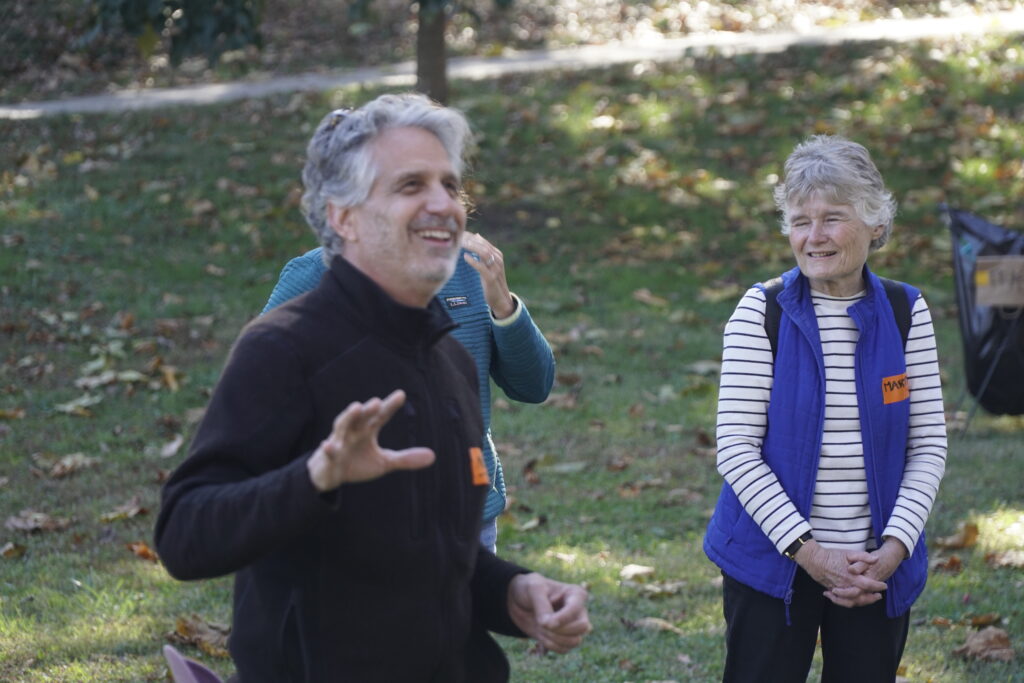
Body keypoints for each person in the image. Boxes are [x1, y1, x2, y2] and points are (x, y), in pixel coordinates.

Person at [154, 93, 590, 682]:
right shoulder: (283, 349)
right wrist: (315, 478)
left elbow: (439, 563)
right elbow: (184, 536)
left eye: (449, 183)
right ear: (344, 216)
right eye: (411, 186)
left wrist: (513, 591)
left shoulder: (450, 362)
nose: (443, 204)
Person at [703, 135, 947, 682]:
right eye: (799, 220)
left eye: (832, 219)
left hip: (873, 568)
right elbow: (737, 451)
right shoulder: (760, 311)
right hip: (772, 563)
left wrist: (892, 549)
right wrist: (810, 554)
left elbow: (928, 444)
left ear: (875, 223)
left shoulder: (908, 312)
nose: (813, 237)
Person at [261, 229, 555, 553]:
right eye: (413, 185)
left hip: (468, 515)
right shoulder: (321, 270)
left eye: (447, 185)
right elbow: (259, 388)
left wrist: (503, 304)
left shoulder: (470, 267)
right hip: (359, 517)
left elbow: (534, 386)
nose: (436, 203)